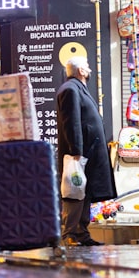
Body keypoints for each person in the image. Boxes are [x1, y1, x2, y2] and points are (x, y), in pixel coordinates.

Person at [56, 55, 116, 246]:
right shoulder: (70, 90)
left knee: (84, 192)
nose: (89, 70)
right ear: (81, 70)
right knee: (75, 193)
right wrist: (76, 151)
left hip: (87, 153)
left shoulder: (76, 88)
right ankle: (71, 233)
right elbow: (71, 121)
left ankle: (81, 232)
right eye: (87, 67)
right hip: (80, 155)